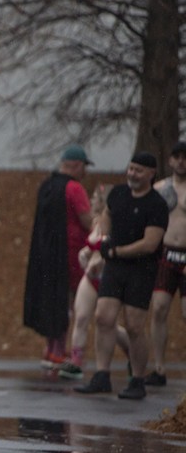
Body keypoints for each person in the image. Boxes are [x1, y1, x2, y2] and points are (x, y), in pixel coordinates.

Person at [75, 152, 168, 400]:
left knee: (134, 325)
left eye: (139, 170)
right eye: (131, 168)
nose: (132, 174)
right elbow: (107, 215)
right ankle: (101, 375)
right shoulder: (118, 194)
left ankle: (137, 380)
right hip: (115, 268)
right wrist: (104, 239)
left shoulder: (156, 205)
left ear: (151, 174)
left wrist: (118, 251)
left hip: (141, 269)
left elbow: (150, 243)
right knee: (103, 317)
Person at [23, 145, 94, 370]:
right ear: (77, 166)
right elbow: (87, 221)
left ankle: (51, 348)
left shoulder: (47, 186)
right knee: (71, 303)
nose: (85, 172)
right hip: (71, 254)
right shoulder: (74, 188)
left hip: (46, 254)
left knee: (52, 299)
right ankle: (61, 350)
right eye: (84, 167)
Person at [57, 184, 131, 380]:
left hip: (109, 278)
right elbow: (92, 247)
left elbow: (111, 250)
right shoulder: (95, 224)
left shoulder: (119, 225)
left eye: (95, 200)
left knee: (109, 325)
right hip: (91, 278)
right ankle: (76, 360)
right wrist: (85, 254)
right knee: (81, 317)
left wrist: (99, 258)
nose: (90, 203)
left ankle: (132, 353)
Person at [144, 141, 186, 387]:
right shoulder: (161, 189)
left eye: (185, 157)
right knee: (159, 308)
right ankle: (159, 367)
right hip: (167, 254)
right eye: (177, 157)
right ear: (170, 160)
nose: (181, 161)